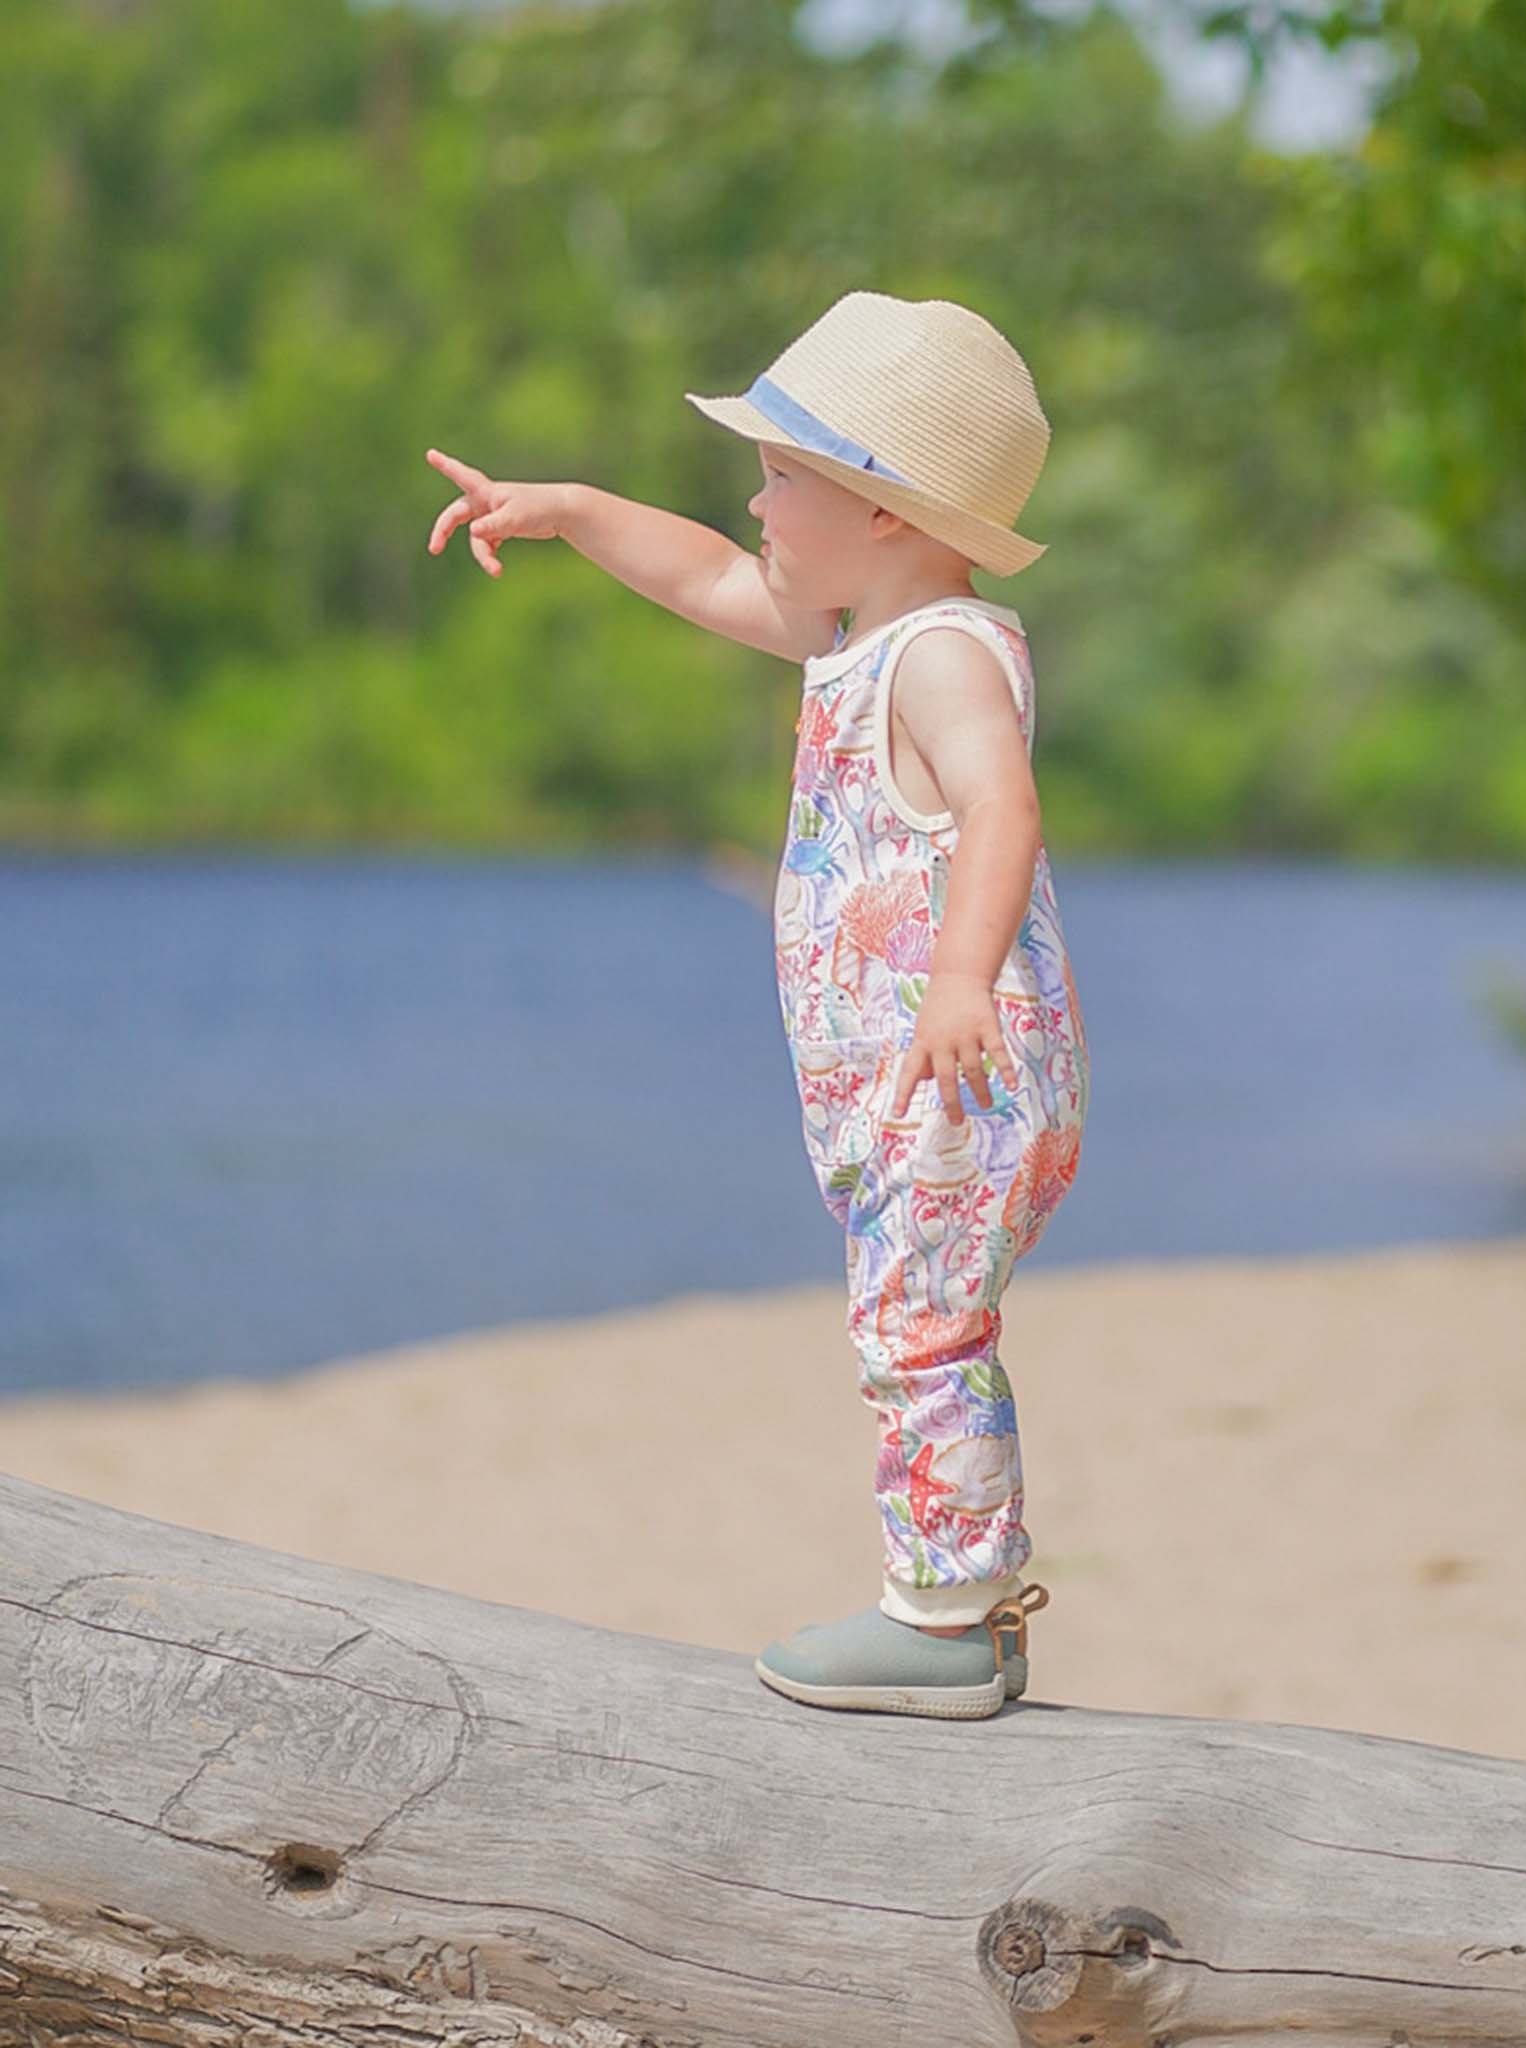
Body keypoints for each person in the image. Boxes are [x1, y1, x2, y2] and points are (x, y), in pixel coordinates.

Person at [423, 290, 1088, 1719]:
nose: (755, 496)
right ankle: (960, 1600)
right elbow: (710, 575)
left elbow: (1000, 807)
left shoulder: (944, 655)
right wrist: (572, 508)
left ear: (889, 512)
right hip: (914, 1082)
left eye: (785, 474)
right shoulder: (855, 632)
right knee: (909, 1324)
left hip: (959, 1076)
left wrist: (962, 977)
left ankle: (950, 1619)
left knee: (917, 1334)